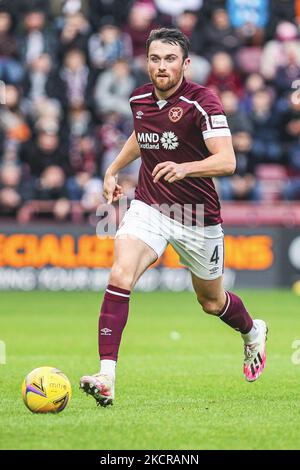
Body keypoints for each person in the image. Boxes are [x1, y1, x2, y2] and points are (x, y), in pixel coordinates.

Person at [80, 28, 268, 407]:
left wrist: (186, 169)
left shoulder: (203, 101)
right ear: (146, 61)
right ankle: (107, 376)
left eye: (169, 59)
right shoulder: (138, 99)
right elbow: (141, 135)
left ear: (185, 63)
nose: (161, 66)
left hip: (198, 217)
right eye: (154, 58)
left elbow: (227, 161)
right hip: (151, 207)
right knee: (120, 274)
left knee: (212, 303)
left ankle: (253, 331)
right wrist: (113, 169)